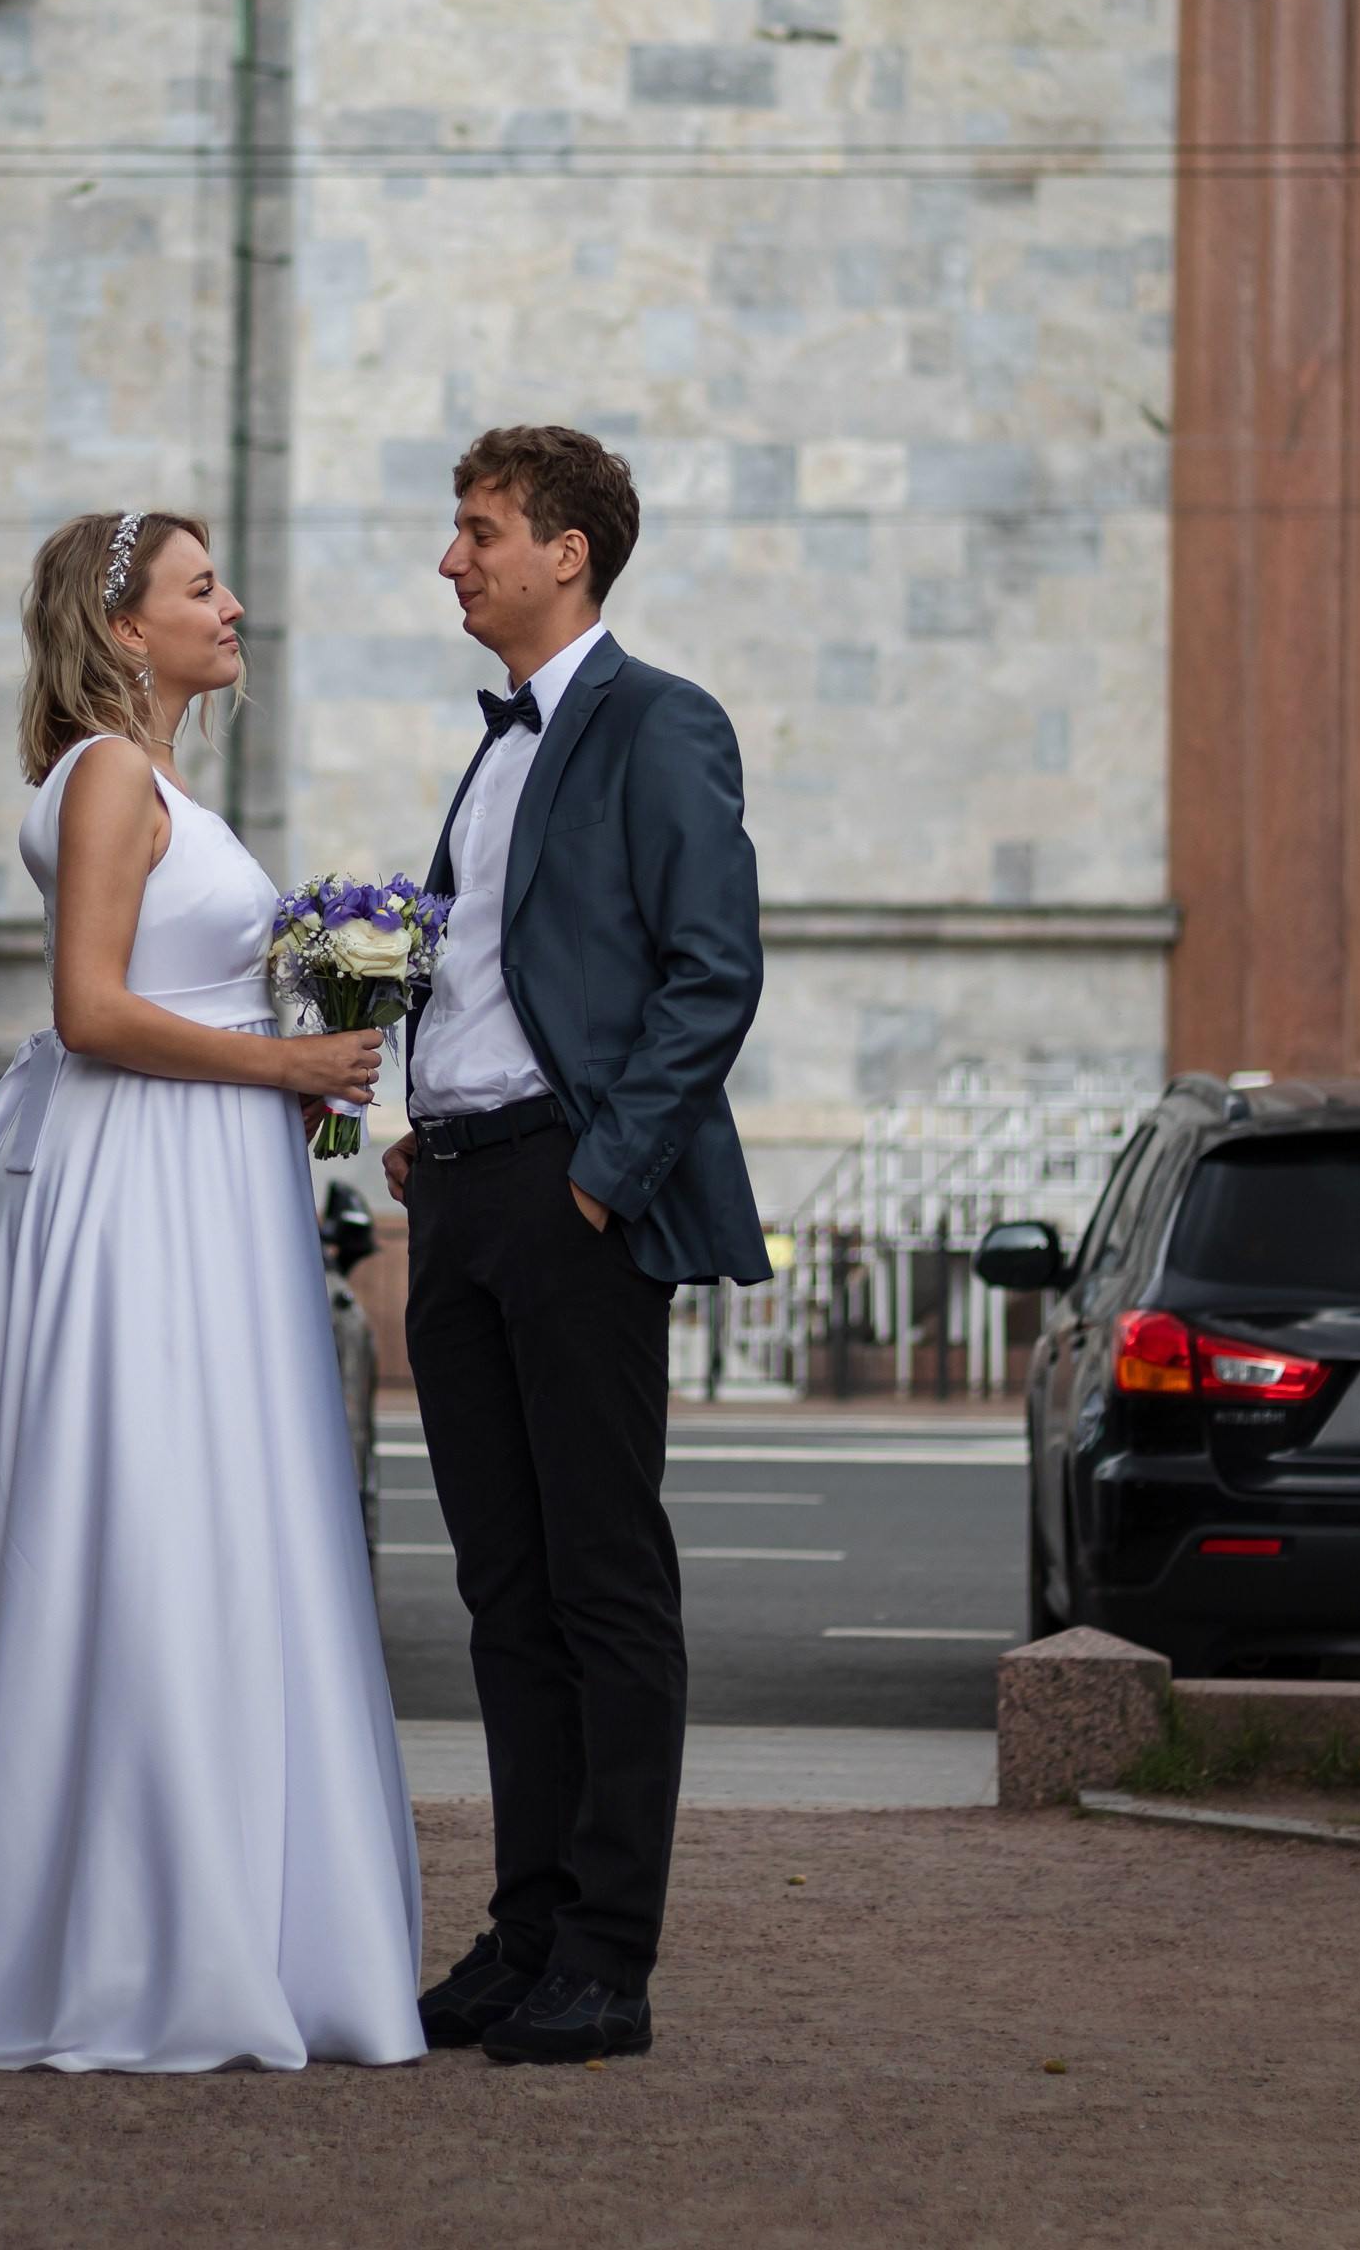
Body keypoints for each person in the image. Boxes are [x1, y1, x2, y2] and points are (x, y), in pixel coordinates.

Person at [0, 511, 424, 2074]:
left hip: (203, 1171)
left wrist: (292, 1076)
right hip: (141, 1182)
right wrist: (284, 1056)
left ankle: (230, 1914)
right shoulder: (107, 776)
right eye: (200, 587)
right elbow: (93, 1011)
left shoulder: (153, 782)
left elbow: (162, 990)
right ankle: (154, 1942)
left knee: (222, 1521)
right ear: (122, 632)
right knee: (157, 1518)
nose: (234, 605)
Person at [383, 426, 768, 2066]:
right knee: (503, 1593)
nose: (452, 558)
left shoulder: (658, 719)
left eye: (478, 530)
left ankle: (609, 1953)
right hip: (462, 1191)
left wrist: (598, 1183)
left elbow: (710, 972)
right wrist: (431, 1116)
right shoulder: (492, 749)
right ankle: (526, 1927)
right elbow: (497, 972)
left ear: (569, 555)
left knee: (605, 1588)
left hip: (572, 1198)